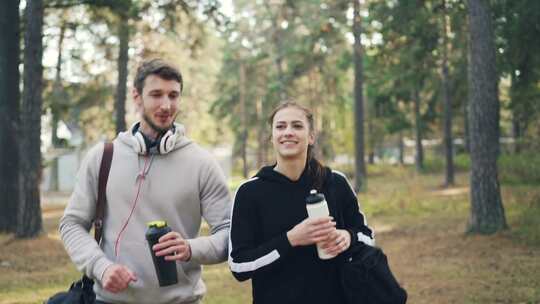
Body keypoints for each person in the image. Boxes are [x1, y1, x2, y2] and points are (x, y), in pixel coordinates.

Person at [60, 59, 231, 304]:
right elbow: (71, 223)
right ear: (137, 97)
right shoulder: (102, 157)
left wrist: (191, 248)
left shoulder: (202, 163)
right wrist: (101, 267)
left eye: (173, 95)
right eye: (156, 95)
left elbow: (229, 234)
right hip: (110, 301)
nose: (166, 105)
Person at [228, 102, 375, 304]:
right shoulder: (249, 193)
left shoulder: (335, 183)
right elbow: (239, 266)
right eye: (280, 126)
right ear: (272, 137)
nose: (288, 132)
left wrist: (347, 237)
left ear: (311, 136)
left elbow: (366, 236)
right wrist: (290, 239)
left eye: (297, 126)